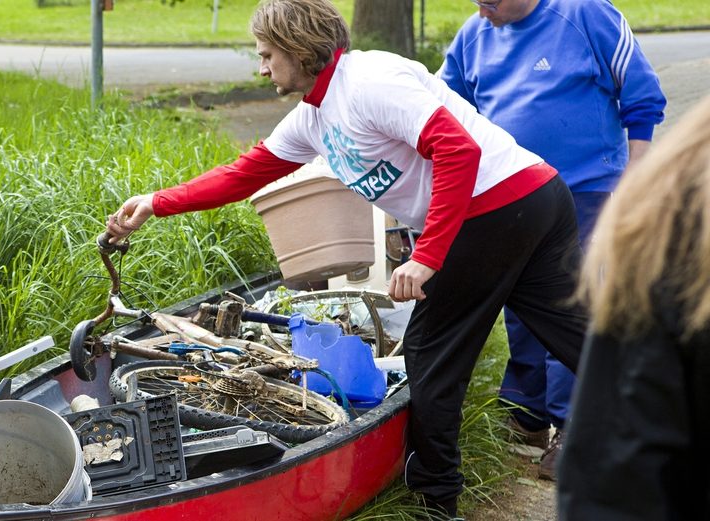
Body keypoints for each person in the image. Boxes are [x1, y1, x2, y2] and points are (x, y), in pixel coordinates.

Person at [104, 0, 587, 517]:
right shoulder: (314, 115)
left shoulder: (367, 82)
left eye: (268, 54)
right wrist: (156, 203)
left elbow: (458, 151)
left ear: (299, 48)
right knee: (576, 334)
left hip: (497, 207)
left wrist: (426, 256)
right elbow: (246, 172)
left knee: (431, 352)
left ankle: (435, 499)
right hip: (533, 196)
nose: (262, 67)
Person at [438, 0, 666, 480]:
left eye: (491, 2)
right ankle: (528, 412)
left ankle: (576, 426)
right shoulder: (472, 37)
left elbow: (641, 96)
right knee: (521, 302)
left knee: (572, 303)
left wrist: (637, 177)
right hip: (513, 191)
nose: (483, 13)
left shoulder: (586, 14)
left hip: (585, 188)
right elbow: (442, 110)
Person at [558, 94, 710, 519]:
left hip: (581, 188)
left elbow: (644, 97)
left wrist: (634, 167)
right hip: (561, 193)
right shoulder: (678, 211)